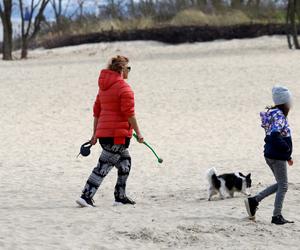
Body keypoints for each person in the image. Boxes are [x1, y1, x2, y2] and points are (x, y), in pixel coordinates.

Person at [76, 55, 144, 207]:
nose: (129, 71)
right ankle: (86, 196)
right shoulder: (124, 88)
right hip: (117, 136)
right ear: (121, 69)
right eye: (129, 68)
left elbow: (97, 112)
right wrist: (139, 133)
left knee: (125, 162)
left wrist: (94, 134)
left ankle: (120, 197)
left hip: (105, 135)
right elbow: (129, 114)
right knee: (103, 166)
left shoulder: (103, 88)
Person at [245, 86, 294, 225]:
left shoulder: (273, 113)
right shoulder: (279, 116)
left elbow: (275, 135)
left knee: (280, 184)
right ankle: (276, 216)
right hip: (277, 156)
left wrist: (288, 156)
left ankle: (254, 201)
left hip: (270, 154)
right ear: (284, 102)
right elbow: (275, 135)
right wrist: (286, 149)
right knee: (283, 186)